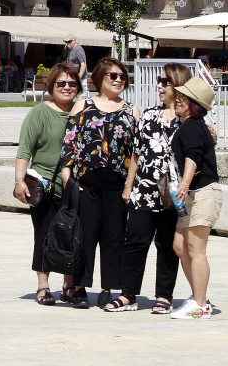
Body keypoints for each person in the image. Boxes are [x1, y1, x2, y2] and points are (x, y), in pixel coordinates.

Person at [105, 63, 192, 314]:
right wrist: (128, 186)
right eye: (159, 81)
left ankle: (164, 296)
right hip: (144, 191)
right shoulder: (149, 115)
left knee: (167, 245)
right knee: (135, 242)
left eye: (165, 81)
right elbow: (136, 154)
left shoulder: (188, 120)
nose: (160, 86)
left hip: (173, 196)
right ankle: (128, 295)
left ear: (178, 85)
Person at [60, 57, 139, 309]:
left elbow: (137, 151)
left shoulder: (131, 110)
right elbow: (69, 141)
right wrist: (67, 175)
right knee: (85, 236)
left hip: (117, 185)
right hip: (87, 184)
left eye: (122, 77)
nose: (118, 80)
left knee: (113, 237)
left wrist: (129, 184)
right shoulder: (83, 104)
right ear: (99, 79)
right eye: (112, 76)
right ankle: (80, 287)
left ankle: (108, 288)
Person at [14, 63, 81, 305]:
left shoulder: (83, 112)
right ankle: (43, 286)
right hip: (46, 186)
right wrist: (19, 181)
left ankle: (69, 285)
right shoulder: (39, 113)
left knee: (73, 238)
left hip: (76, 187)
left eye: (72, 84)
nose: (66, 87)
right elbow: (24, 151)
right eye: (61, 83)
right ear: (51, 86)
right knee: (44, 236)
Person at [170, 77, 222, 320]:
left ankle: (200, 304)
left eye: (183, 97)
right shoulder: (193, 125)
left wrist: (184, 183)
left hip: (202, 192)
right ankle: (198, 296)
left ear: (194, 103)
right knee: (180, 246)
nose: (177, 100)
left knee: (196, 248)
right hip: (192, 194)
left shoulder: (192, 126)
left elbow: (192, 158)